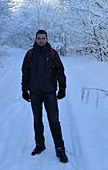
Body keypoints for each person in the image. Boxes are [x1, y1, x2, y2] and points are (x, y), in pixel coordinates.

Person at [21, 29, 68, 163]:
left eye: (43, 38)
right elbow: (25, 73)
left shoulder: (53, 53)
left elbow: (60, 71)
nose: (41, 40)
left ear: (47, 39)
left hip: (49, 93)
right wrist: (24, 90)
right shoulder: (30, 54)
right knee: (37, 120)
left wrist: (62, 88)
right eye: (39, 38)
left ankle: (60, 149)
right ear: (35, 39)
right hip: (35, 92)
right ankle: (40, 145)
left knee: (54, 121)